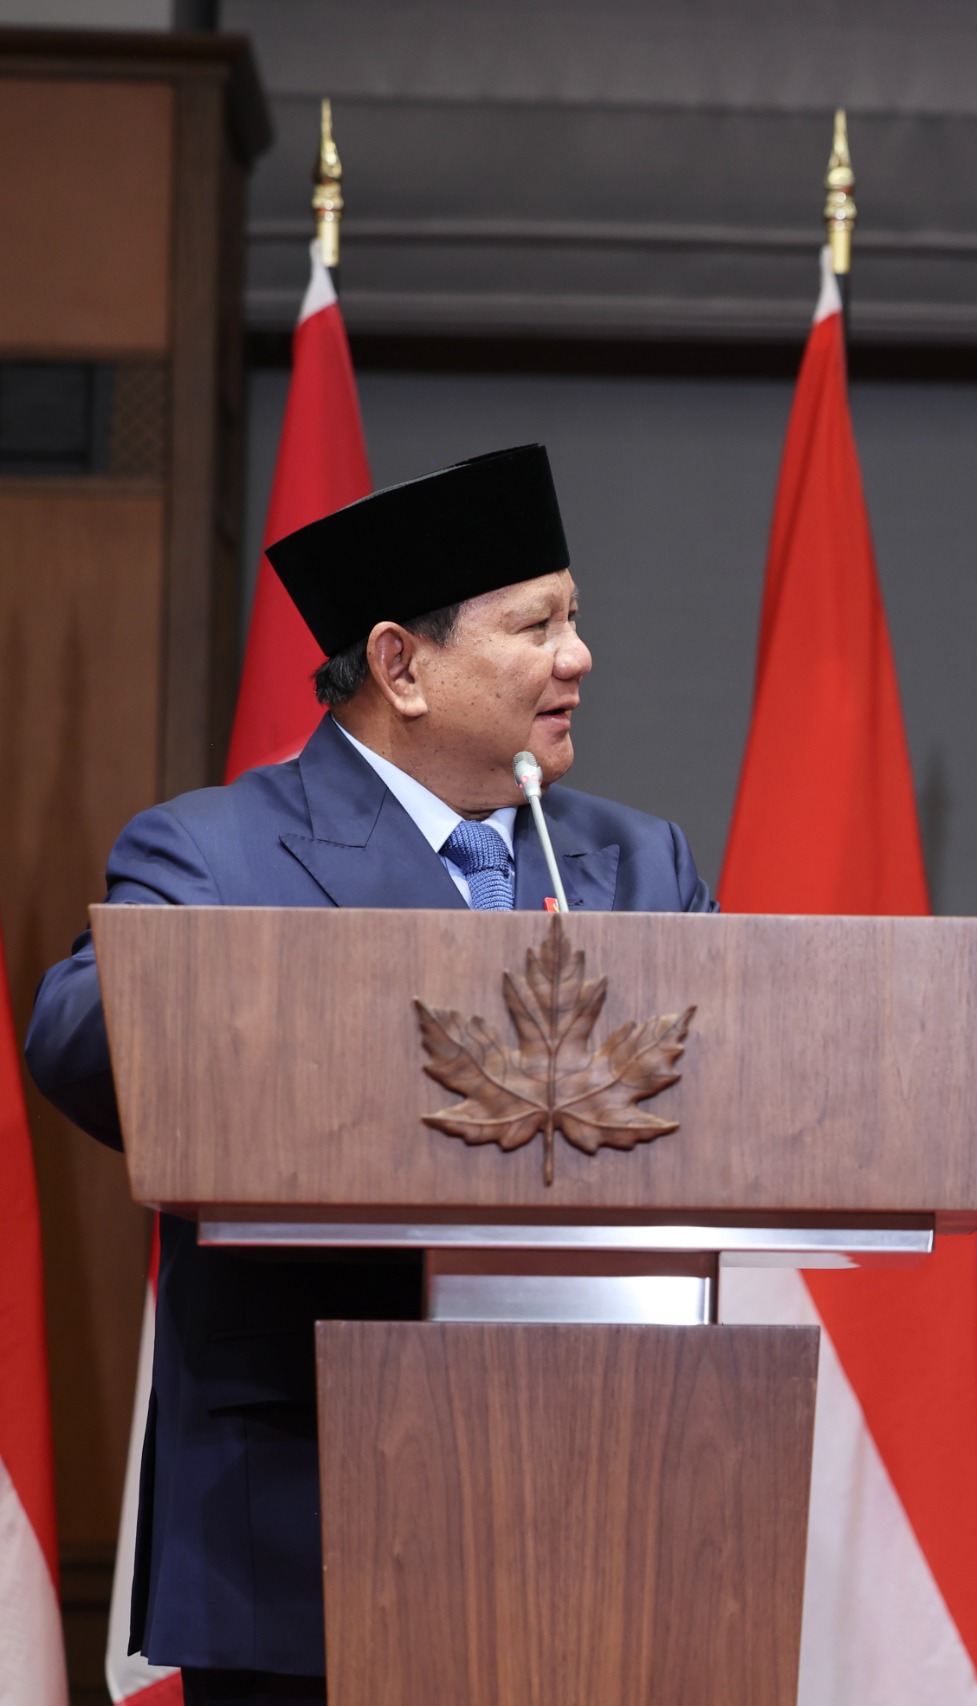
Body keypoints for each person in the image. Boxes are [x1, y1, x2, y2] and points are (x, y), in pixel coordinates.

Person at [22, 445, 715, 1703]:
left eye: (574, 618)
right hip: (310, 1503)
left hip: (607, 1479)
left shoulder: (641, 861)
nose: (578, 656)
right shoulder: (218, 851)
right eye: (537, 626)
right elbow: (78, 1035)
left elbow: (740, 1098)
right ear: (400, 664)